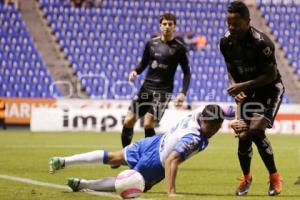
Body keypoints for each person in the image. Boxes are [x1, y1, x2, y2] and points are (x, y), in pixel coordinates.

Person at [49, 104, 224, 196]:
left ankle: (64, 161)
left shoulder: (199, 112)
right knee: (132, 184)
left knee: (113, 157)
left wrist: (240, 119)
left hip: (153, 142)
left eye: (213, 126)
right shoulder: (194, 138)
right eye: (209, 125)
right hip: (156, 162)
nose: (210, 129)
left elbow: (227, 110)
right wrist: (171, 192)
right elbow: (172, 160)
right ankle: (83, 184)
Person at [220, 1, 284, 196]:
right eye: (228, 23)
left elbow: (271, 75)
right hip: (247, 91)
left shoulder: (262, 43)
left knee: (255, 131)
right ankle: (246, 178)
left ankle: (274, 177)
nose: (231, 27)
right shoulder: (226, 41)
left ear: (248, 21)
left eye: (236, 23)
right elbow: (232, 71)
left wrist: (243, 86)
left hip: (270, 90)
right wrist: (236, 89)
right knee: (243, 135)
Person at [121, 13, 191, 152]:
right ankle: (125, 154)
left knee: (148, 123)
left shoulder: (179, 48)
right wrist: (135, 71)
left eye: (170, 24)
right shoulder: (151, 43)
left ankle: (149, 157)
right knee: (128, 121)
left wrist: (182, 92)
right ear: (160, 25)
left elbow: (187, 72)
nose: (167, 27)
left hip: (163, 91)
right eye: (164, 24)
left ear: (174, 27)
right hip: (146, 88)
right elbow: (143, 63)